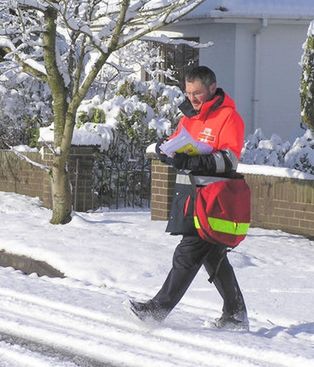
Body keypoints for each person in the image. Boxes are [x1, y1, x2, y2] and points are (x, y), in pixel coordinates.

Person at [130, 66, 249, 330]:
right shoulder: (189, 118)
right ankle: (236, 313)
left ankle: (157, 310)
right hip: (190, 199)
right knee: (213, 257)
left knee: (187, 253)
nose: (193, 98)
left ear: (212, 87)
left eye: (197, 93)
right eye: (188, 92)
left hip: (215, 201)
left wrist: (194, 159)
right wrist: (167, 151)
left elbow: (229, 160)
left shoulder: (229, 118)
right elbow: (177, 144)